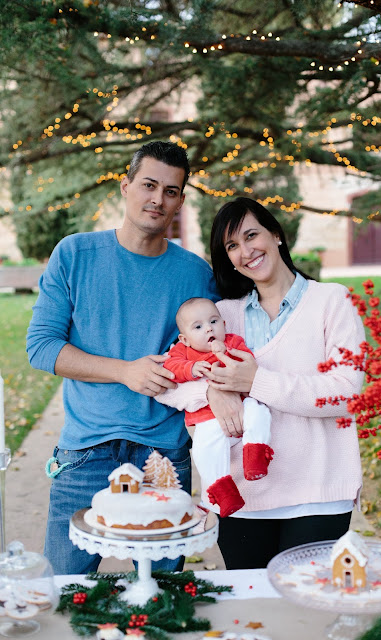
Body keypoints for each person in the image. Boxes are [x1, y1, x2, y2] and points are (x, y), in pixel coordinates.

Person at [26, 141, 218, 575]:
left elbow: (222, 347)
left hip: (163, 457)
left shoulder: (196, 274)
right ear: (125, 185)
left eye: (171, 191)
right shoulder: (74, 254)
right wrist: (124, 372)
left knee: (162, 599)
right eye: (148, 185)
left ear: (181, 201)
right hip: (86, 451)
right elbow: (41, 347)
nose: (158, 199)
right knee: (60, 588)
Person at [156, 196, 365, 570]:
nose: (245, 251)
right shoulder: (222, 315)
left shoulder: (332, 300)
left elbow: (348, 392)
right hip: (243, 498)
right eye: (232, 246)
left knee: (306, 614)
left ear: (277, 235)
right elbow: (169, 380)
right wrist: (210, 392)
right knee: (253, 614)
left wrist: (256, 381)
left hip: (318, 491)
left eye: (252, 235)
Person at [162, 297, 273, 518]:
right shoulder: (183, 353)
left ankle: (255, 454)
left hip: (241, 407)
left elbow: (248, 363)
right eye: (198, 327)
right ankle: (223, 490)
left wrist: (225, 354)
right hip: (208, 419)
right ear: (184, 338)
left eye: (214, 321)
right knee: (205, 448)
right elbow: (170, 367)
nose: (208, 329)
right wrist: (191, 368)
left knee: (259, 409)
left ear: (224, 324)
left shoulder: (234, 342)